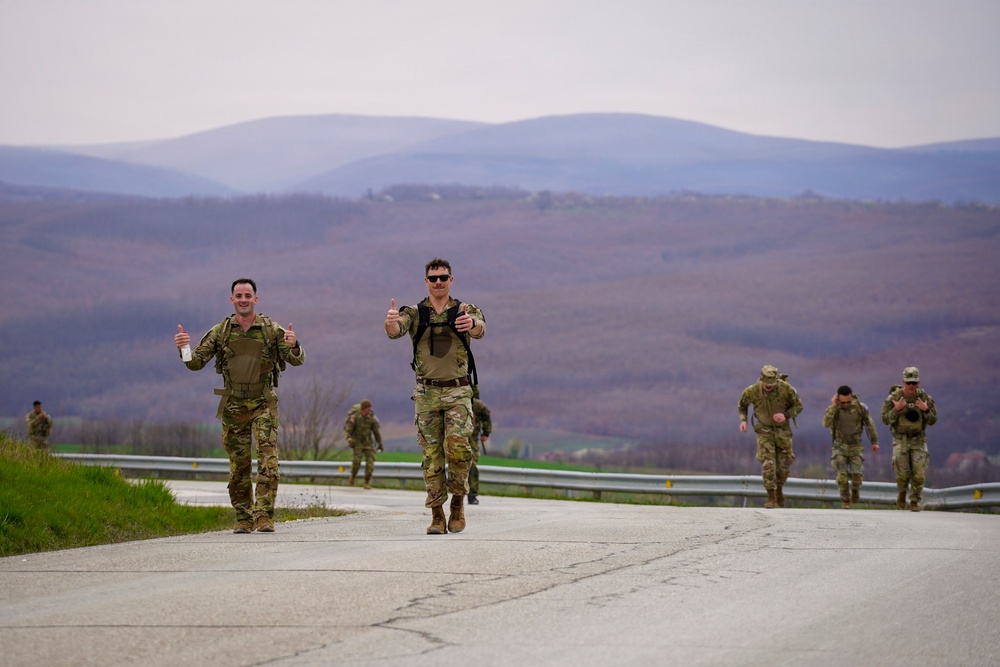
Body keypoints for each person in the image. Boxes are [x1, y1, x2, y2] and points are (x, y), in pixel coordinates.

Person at [174, 278, 304, 534]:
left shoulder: (270, 329)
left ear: (255, 299)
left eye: (247, 295)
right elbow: (195, 363)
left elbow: (296, 360)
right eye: (238, 295)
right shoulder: (220, 331)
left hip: (263, 402)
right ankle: (243, 518)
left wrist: (295, 346)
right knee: (239, 464)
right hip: (233, 405)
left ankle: (264, 516)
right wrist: (184, 348)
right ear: (231, 300)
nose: (243, 299)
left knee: (268, 460)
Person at [385, 257, 485, 534]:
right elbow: (395, 330)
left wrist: (472, 324)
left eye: (443, 277)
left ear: (451, 280)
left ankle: (457, 504)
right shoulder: (415, 312)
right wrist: (391, 322)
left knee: (459, 450)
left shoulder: (465, 309)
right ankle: (437, 514)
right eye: (433, 278)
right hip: (427, 392)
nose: (438, 282)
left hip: (457, 390)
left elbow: (480, 328)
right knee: (431, 455)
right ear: (426, 281)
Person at [738, 365, 803, 508]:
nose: (769, 388)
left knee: (784, 465)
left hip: (782, 431)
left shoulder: (786, 389)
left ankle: (779, 487)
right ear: (761, 380)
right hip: (764, 429)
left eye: (771, 385)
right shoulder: (753, 390)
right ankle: (771, 496)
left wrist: (785, 415)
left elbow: (798, 406)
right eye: (766, 385)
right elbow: (742, 405)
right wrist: (743, 420)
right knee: (768, 463)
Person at [881, 367, 937, 512]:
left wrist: (925, 409)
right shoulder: (894, 398)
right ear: (903, 382)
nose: (911, 386)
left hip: (918, 440)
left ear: (918, 382)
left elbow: (932, 420)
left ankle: (914, 501)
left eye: (914, 383)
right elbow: (885, 420)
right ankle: (901, 493)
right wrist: (896, 409)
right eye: (908, 383)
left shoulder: (924, 398)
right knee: (903, 473)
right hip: (901, 440)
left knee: (919, 473)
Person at [822, 385, 879, 509]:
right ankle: (845, 501)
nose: (846, 404)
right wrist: (834, 406)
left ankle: (855, 490)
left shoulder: (860, 408)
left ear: (852, 397)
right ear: (838, 399)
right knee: (842, 476)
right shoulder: (833, 409)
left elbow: (870, 424)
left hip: (855, 446)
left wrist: (874, 442)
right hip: (839, 446)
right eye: (843, 402)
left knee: (856, 475)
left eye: (848, 402)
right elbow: (826, 423)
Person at [344, 399, 383, 489]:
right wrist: (349, 439)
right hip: (357, 443)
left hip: (368, 443)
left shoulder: (371, 418)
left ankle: (366, 482)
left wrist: (380, 443)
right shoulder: (355, 417)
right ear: (363, 409)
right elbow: (348, 430)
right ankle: (352, 477)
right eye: (368, 408)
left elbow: (376, 432)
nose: (370, 410)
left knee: (370, 462)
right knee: (356, 462)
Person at [467, 385, 493, 505]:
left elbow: (486, 417)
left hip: (471, 438)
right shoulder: (476, 404)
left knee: (471, 464)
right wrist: (486, 433)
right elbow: (487, 418)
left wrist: (486, 433)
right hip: (459, 437)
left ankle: (471, 494)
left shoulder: (477, 405)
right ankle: (470, 494)